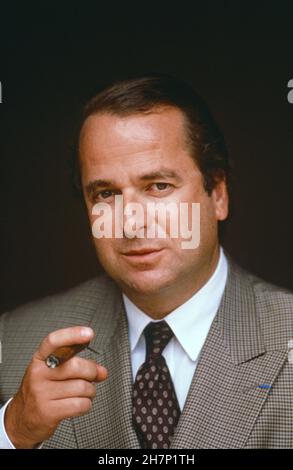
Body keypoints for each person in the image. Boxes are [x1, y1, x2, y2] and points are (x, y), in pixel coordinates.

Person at [1, 74, 293, 449]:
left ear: (217, 194)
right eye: (106, 193)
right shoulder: (12, 342)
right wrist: (14, 432)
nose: (131, 222)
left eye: (158, 187)